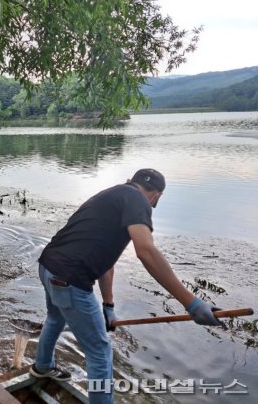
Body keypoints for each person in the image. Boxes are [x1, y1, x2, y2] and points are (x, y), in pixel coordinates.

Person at [30, 169, 221, 404]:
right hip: (70, 278)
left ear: (132, 181)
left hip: (48, 266)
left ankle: (42, 367)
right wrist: (190, 302)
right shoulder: (139, 201)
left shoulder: (113, 195)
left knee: (55, 319)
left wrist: (108, 304)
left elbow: (106, 263)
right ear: (157, 196)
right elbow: (146, 251)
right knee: (100, 352)